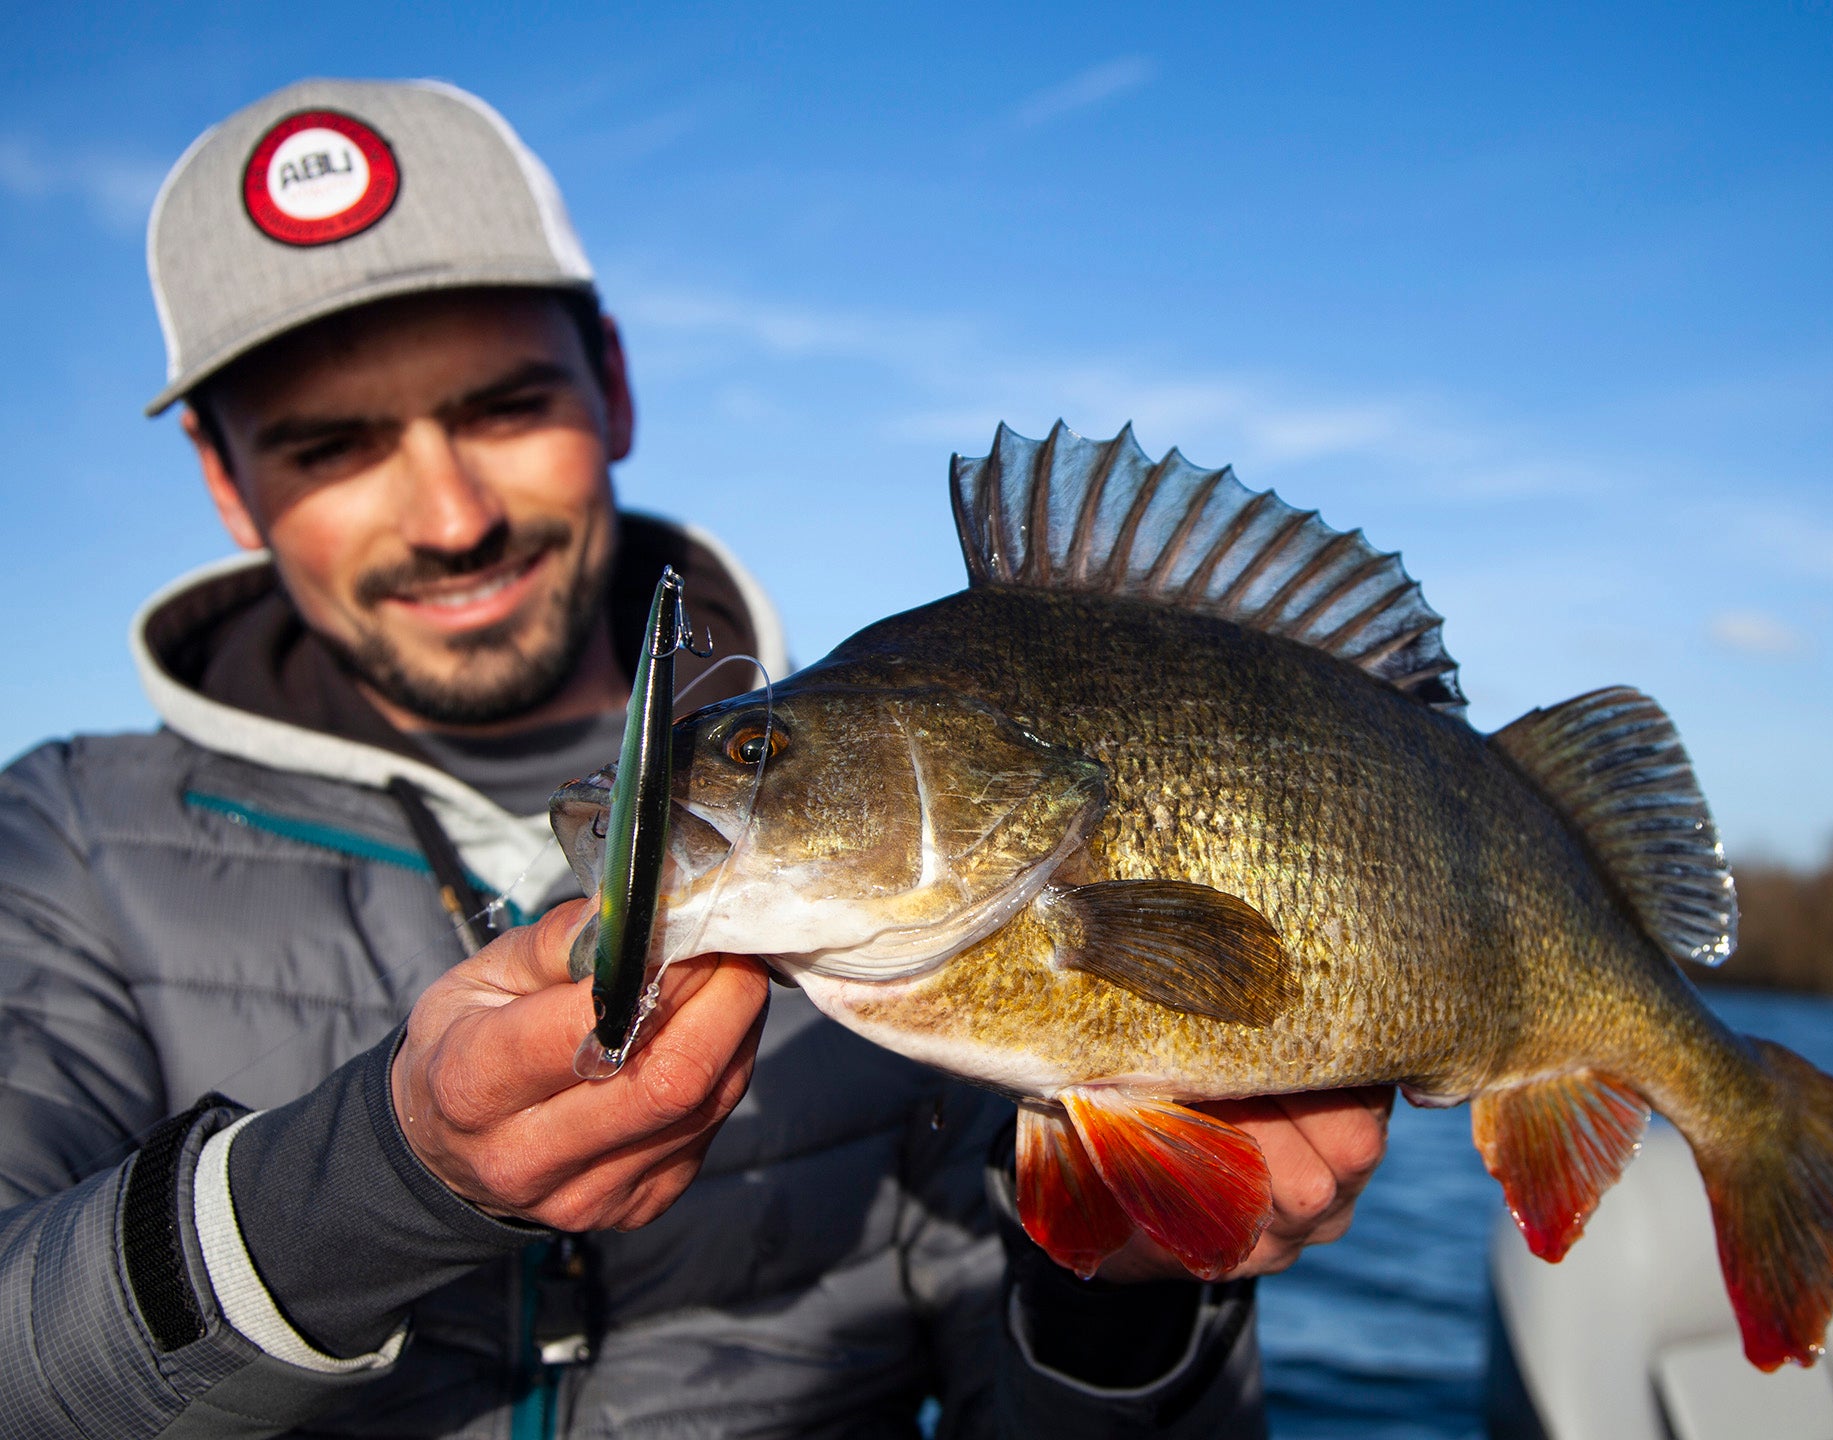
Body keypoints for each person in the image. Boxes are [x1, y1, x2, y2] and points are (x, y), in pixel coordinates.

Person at [0, 79, 1393, 1438]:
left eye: (501, 406)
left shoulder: (901, 847)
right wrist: (370, 1178)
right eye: (333, 446)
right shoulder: (60, 843)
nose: (450, 514)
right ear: (225, 478)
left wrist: (1128, 1295)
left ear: (609, 382)